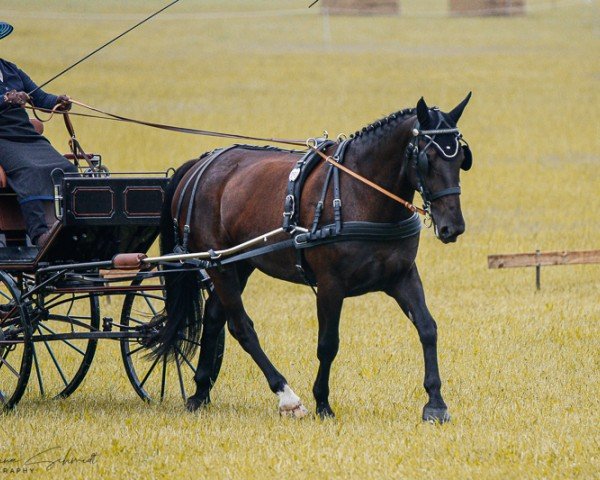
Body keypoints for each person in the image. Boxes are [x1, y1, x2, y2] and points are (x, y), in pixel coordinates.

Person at [0, 21, 77, 248]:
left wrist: (58, 102)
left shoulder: (11, 70)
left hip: (26, 136)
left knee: (68, 169)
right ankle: (40, 234)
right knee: (30, 171)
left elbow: (40, 98)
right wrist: (5, 100)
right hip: (2, 138)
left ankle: (71, 229)